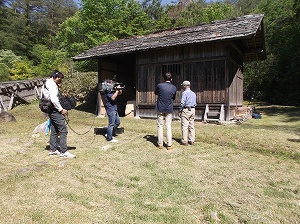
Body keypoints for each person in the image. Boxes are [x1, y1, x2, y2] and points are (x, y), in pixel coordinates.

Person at [42, 70, 76, 158]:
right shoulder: (53, 85)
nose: (60, 80)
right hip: (55, 110)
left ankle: (53, 149)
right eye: (59, 78)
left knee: (54, 130)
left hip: (50, 109)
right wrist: (61, 110)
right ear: (55, 77)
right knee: (63, 130)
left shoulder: (46, 83)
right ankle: (64, 151)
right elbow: (54, 99)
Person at [155, 72, 177, 150]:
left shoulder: (159, 86)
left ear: (164, 78)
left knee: (160, 126)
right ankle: (169, 145)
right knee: (168, 126)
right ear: (171, 79)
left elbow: (156, 93)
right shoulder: (174, 87)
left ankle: (160, 144)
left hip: (160, 107)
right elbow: (174, 97)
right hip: (169, 108)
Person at [178, 80, 197, 146]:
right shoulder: (193, 93)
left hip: (186, 109)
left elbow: (182, 103)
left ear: (184, 86)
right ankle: (192, 140)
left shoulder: (184, 93)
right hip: (193, 109)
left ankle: (184, 141)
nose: (182, 87)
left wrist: (180, 110)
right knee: (191, 125)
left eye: (183, 86)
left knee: (185, 125)